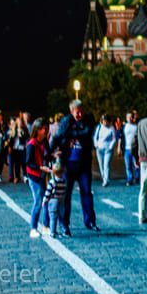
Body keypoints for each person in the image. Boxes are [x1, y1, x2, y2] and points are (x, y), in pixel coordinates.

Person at [50, 99, 98, 235]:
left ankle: (90, 222)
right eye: (77, 112)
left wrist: (71, 134)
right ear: (71, 111)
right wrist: (50, 153)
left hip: (83, 163)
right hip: (69, 163)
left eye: (81, 111)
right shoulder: (66, 121)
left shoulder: (87, 119)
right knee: (66, 195)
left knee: (87, 193)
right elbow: (57, 137)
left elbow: (87, 132)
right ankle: (64, 224)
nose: (80, 114)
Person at [25, 119, 52, 238]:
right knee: (38, 201)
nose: (45, 131)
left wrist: (53, 155)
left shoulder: (44, 141)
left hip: (42, 175)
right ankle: (33, 228)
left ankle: (46, 226)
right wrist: (41, 168)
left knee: (46, 200)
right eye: (42, 129)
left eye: (46, 128)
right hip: (34, 176)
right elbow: (28, 162)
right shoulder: (31, 143)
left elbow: (47, 154)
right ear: (37, 130)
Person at [43, 162, 68, 238]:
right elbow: (65, 191)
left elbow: (48, 192)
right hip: (61, 200)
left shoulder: (52, 182)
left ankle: (53, 232)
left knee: (53, 217)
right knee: (61, 217)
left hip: (53, 201)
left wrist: (45, 200)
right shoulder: (64, 181)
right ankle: (64, 231)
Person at [94, 114, 118, 187]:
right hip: (99, 149)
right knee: (101, 165)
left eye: (106, 121)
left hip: (108, 149)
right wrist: (96, 144)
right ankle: (104, 178)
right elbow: (95, 137)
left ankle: (106, 180)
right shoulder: (99, 127)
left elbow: (114, 138)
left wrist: (111, 146)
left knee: (106, 165)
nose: (105, 122)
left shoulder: (111, 128)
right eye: (103, 121)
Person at [123, 111, 140, 186]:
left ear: (133, 118)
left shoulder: (136, 126)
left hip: (135, 149)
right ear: (126, 118)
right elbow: (121, 137)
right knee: (128, 166)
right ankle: (129, 179)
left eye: (131, 117)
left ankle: (137, 178)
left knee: (136, 165)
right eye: (128, 117)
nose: (129, 118)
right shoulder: (124, 127)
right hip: (126, 149)